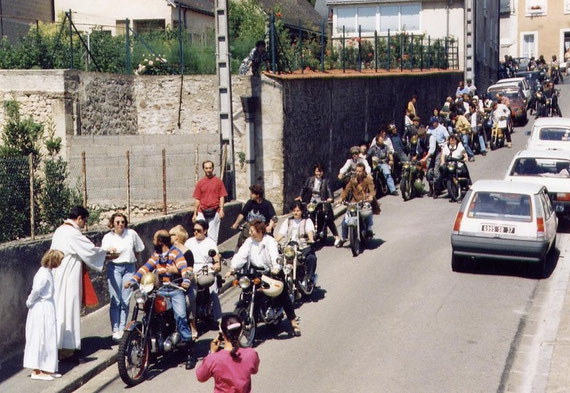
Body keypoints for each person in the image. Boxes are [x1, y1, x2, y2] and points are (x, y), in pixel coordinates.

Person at [125, 229, 197, 369]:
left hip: (176, 289)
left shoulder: (176, 253)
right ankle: (151, 345)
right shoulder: (156, 255)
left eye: (154, 239)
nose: (152, 241)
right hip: (161, 289)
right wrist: (133, 280)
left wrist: (185, 282)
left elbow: (184, 269)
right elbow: (146, 267)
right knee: (150, 314)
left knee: (181, 317)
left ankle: (190, 353)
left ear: (160, 241)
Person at [51, 206, 108, 359]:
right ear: (79, 218)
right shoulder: (72, 232)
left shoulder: (59, 230)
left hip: (58, 274)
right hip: (69, 276)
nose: (84, 224)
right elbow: (89, 250)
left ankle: (58, 346)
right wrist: (106, 253)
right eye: (85, 221)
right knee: (69, 308)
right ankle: (69, 348)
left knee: (60, 310)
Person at [228, 220, 301, 336]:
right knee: (246, 290)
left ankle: (293, 322)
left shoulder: (269, 241)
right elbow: (241, 255)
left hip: (271, 271)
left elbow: (274, 255)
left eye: (252, 231)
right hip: (255, 271)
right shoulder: (249, 241)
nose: (249, 233)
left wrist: (276, 268)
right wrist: (233, 267)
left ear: (260, 231)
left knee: (283, 294)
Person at [101, 212, 145, 342]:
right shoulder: (108, 237)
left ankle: (122, 328)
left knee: (125, 300)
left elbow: (138, 250)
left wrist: (134, 264)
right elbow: (103, 254)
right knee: (116, 300)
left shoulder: (131, 234)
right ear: (112, 224)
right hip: (114, 268)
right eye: (117, 222)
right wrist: (110, 252)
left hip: (129, 268)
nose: (120, 224)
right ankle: (115, 329)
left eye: (122, 222)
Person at [23, 250, 64, 381]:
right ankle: (36, 370)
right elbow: (36, 291)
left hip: (48, 307)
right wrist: (29, 301)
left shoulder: (48, 272)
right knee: (40, 337)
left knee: (48, 338)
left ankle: (46, 367)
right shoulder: (43, 274)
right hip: (41, 309)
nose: (61, 263)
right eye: (60, 260)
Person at [196, 314, 260, 393]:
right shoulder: (251, 354)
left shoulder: (213, 359)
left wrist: (212, 353)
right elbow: (254, 370)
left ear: (222, 333)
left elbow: (201, 377)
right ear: (240, 332)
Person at [184, 220, 223, 327]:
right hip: (191, 269)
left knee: (213, 291)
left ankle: (218, 319)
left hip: (206, 268)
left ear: (205, 231)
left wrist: (217, 264)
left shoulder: (210, 242)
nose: (196, 232)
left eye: (199, 230)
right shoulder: (189, 242)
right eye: (194, 230)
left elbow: (215, 256)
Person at [275, 200, 317, 289]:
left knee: (311, 258)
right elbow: (281, 233)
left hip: (303, 246)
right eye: (294, 211)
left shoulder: (307, 221)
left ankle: (309, 279)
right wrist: (275, 241)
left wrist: (311, 238)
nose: (296, 212)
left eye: (298, 210)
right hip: (290, 246)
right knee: (278, 259)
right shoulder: (288, 221)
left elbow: (310, 230)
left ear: (302, 211)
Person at [296, 163, 340, 246]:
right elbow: (304, 188)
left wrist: (330, 198)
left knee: (327, 218)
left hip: (322, 201)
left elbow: (329, 190)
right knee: (307, 216)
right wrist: (300, 196)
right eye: (317, 171)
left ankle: (336, 237)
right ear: (314, 172)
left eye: (320, 171)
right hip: (312, 201)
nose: (318, 173)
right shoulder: (310, 180)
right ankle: (306, 234)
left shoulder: (326, 181)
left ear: (323, 172)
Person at [170, 225, 199, 339]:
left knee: (188, 301)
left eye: (171, 235)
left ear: (176, 237)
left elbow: (189, 271)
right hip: (171, 284)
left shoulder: (187, 253)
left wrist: (176, 270)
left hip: (186, 284)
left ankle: (192, 325)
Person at [337, 163, 375, 247]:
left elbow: (372, 190)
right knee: (345, 220)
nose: (358, 173)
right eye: (356, 171)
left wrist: (371, 196)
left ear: (364, 171)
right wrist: (341, 198)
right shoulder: (352, 180)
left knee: (368, 212)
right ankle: (343, 237)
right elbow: (346, 190)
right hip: (354, 202)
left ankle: (369, 228)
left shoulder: (368, 179)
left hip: (364, 201)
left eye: (360, 171)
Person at [192, 160, 228, 245]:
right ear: (203, 169)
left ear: (213, 169)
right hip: (202, 211)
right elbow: (197, 199)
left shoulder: (218, 181)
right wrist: (195, 213)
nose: (208, 170)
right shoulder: (200, 183)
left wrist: (222, 209)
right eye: (206, 168)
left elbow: (222, 196)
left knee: (212, 236)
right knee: (199, 233)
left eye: (210, 168)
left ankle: (212, 255)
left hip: (215, 211)